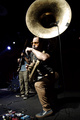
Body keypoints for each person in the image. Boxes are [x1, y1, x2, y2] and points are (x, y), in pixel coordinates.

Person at [25, 36, 59, 118]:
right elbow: (34, 63)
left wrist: (32, 49)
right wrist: (29, 66)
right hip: (44, 76)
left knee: (38, 85)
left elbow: (44, 57)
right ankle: (53, 102)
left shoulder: (47, 49)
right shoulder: (34, 54)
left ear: (41, 43)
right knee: (48, 90)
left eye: (36, 43)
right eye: (32, 43)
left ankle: (47, 109)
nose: (33, 45)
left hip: (52, 74)